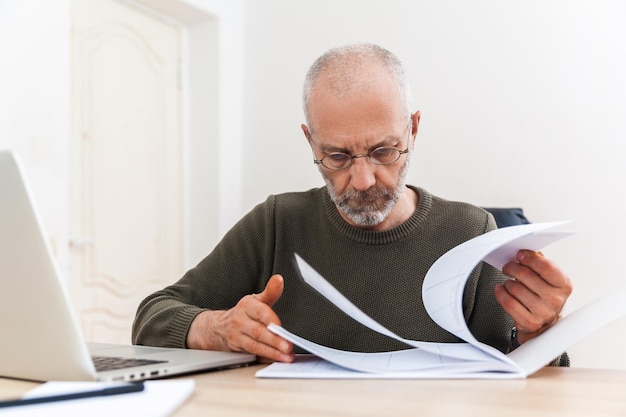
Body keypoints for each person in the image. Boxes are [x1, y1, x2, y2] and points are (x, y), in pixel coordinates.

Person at [132, 43, 572, 365]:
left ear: (413, 130)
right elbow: (152, 317)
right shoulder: (277, 223)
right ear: (309, 140)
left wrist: (543, 331)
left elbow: (526, 376)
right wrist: (216, 327)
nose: (362, 181)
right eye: (337, 156)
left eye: (384, 151)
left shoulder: (471, 231)